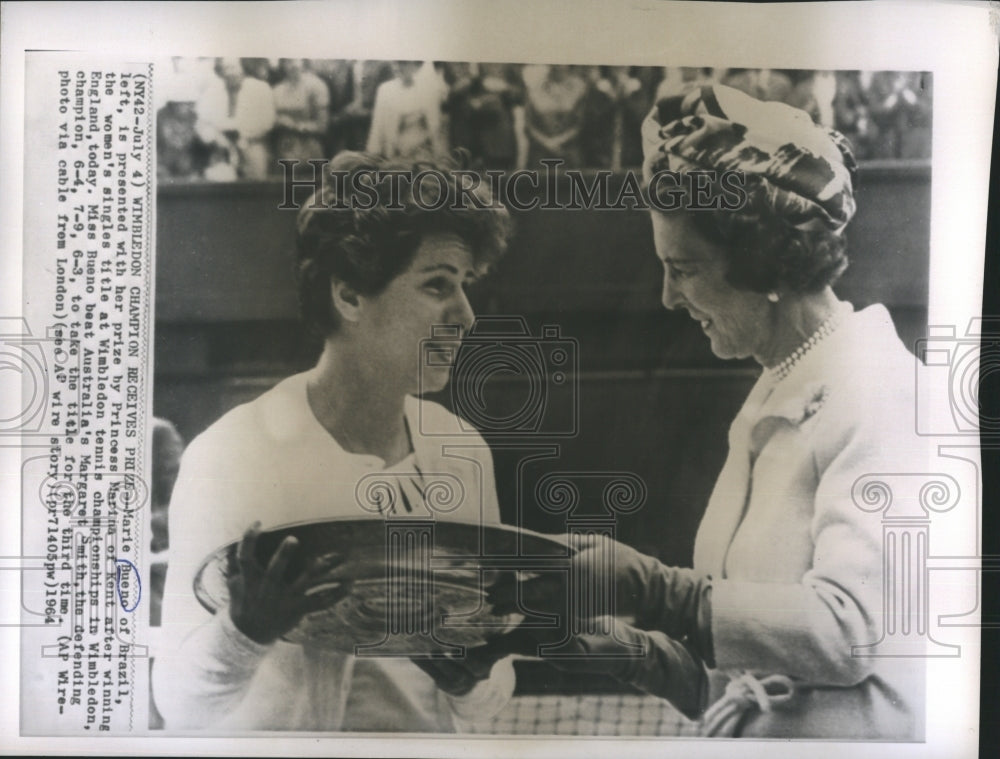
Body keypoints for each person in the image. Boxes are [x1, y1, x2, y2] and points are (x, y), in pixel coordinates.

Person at [503, 84, 925, 739]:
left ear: (768, 262)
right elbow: (748, 677)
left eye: (687, 268)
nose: (669, 297)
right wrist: (631, 651)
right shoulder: (774, 391)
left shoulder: (884, 393)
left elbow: (847, 635)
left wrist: (658, 591)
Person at [152, 151, 516, 732]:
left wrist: (467, 672)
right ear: (348, 296)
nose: (466, 314)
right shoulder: (229, 454)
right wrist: (243, 634)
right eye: (437, 285)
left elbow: (489, 700)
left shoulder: (462, 452)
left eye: (465, 285)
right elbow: (178, 700)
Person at [196, 57, 276, 180]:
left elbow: (268, 122)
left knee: (255, 184)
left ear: (242, 69)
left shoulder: (261, 89)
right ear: (221, 72)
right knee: (218, 184)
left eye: (233, 68)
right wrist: (216, 139)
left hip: (251, 144)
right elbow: (202, 123)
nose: (230, 73)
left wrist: (245, 138)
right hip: (221, 147)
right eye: (226, 69)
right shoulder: (212, 91)